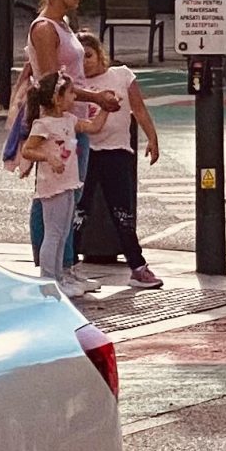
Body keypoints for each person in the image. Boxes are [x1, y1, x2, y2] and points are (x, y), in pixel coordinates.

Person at [16, 0, 122, 289]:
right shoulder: (45, 28)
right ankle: (52, 273)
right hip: (57, 125)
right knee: (51, 198)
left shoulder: (62, 25)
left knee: (71, 197)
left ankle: (66, 267)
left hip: (72, 121)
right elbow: (53, 82)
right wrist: (96, 97)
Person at [75, 34, 164, 289]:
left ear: (99, 54)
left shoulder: (121, 75)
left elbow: (139, 109)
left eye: (89, 56)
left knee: (122, 212)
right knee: (81, 210)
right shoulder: (78, 85)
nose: (85, 64)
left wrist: (152, 138)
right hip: (88, 151)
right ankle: (69, 264)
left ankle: (137, 266)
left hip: (117, 151)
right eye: (80, 59)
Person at [19, 72, 108, 298]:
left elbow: (93, 127)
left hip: (68, 183)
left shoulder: (68, 120)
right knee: (54, 233)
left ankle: (58, 277)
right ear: (57, 98)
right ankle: (49, 279)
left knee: (64, 231)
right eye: (70, 93)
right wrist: (49, 157)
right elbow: (27, 150)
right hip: (53, 186)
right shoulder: (43, 125)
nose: (74, 97)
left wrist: (106, 108)